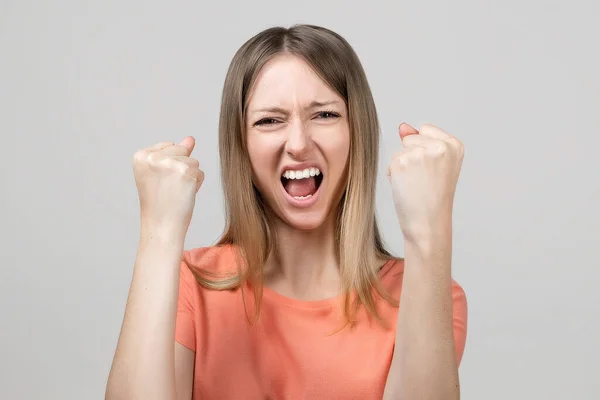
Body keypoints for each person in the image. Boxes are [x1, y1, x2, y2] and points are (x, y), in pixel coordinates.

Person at [106, 24, 468, 400]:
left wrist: (429, 228)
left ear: (357, 133)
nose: (298, 143)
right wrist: (159, 231)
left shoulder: (424, 293)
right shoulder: (189, 287)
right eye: (269, 120)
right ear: (241, 147)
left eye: (324, 115)